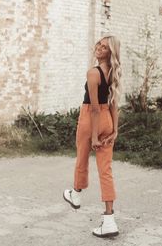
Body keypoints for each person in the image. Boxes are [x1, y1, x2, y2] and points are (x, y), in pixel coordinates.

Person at [63, 34, 122, 238]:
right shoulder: (113, 72)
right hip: (108, 119)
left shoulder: (93, 73)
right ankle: (109, 220)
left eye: (104, 47)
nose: (99, 48)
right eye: (99, 44)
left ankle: (76, 195)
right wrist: (114, 130)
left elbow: (95, 108)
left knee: (82, 157)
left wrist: (95, 136)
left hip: (91, 119)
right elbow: (113, 104)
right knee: (106, 170)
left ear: (110, 53)